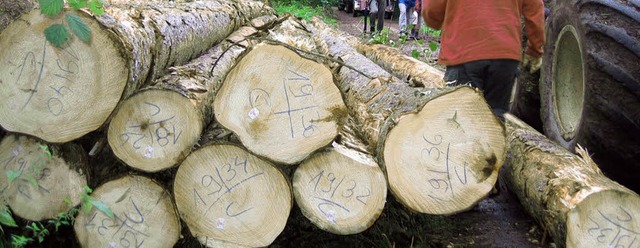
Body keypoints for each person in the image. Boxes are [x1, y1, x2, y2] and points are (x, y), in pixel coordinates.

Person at [421, 0, 545, 120]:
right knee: (496, 115)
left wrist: (435, 21)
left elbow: (431, 9)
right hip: (504, 53)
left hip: (463, 50)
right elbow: (535, 7)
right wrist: (535, 49)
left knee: (459, 118)